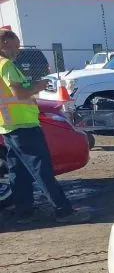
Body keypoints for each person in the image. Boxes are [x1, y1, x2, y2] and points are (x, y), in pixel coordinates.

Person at [0, 29, 85, 224]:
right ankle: (64, 211)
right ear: (4, 43)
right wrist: (38, 87)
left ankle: (24, 212)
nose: (18, 50)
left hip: (8, 125)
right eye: (15, 45)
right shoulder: (6, 65)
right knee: (41, 169)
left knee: (18, 171)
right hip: (23, 125)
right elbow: (19, 94)